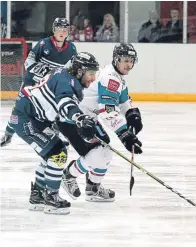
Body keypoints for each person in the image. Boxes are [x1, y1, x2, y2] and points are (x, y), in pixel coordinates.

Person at [8, 52, 99, 215]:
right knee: (57, 154)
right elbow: (65, 103)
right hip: (27, 119)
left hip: (35, 117)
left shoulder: (66, 75)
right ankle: (51, 198)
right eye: (91, 74)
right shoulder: (66, 81)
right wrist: (79, 118)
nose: (93, 79)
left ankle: (38, 195)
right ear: (79, 71)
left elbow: (61, 110)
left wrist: (79, 122)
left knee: (55, 150)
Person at [60, 43, 143, 202]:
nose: (129, 64)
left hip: (89, 119)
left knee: (105, 152)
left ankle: (93, 188)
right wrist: (124, 134)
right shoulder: (110, 78)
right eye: (125, 60)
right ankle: (68, 175)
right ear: (116, 59)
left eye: (131, 60)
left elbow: (124, 101)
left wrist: (133, 115)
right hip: (74, 119)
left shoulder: (117, 78)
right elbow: (108, 110)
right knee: (97, 154)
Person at [1, 17, 77, 147]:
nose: (62, 32)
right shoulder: (43, 44)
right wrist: (44, 72)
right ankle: (8, 134)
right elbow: (28, 62)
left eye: (65, 29)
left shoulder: (72, 48)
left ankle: (55, 134)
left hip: (49, 86)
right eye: (59, 29)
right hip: (32, 82)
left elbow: (71, 69)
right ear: (54, 30)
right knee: (19, 109)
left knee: (53, 109)